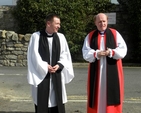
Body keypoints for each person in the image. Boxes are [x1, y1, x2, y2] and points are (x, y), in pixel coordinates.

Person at [27, 13, 74, 113]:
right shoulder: (36, 36)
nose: (59, 26)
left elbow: (65, 54)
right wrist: (45, 66)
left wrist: (59, 65)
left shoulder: (61, 37)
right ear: (48, 23)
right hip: (42, 76)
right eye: (57, 23)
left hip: (56, 75)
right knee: (42, 104)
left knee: (57, 103)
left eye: (59, 24)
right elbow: (34, 55)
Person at [82, 13, 127, 113]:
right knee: (96, 94)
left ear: (107, 21)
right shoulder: (90, 36)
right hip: (96, 71)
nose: (102, 23)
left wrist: (111, 52)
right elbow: (85, 52)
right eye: (99, 22)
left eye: (104, 21)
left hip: (112, 70)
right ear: (95, 23)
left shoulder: (115, 34)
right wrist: (96, 54)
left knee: (112, 94)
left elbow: (123, 50)